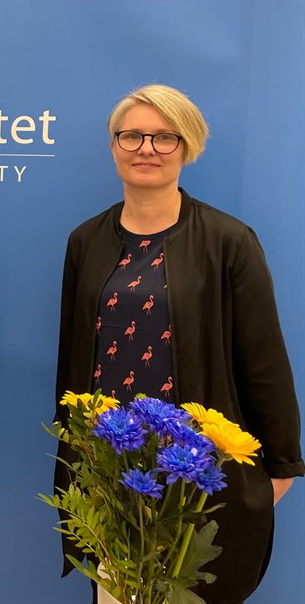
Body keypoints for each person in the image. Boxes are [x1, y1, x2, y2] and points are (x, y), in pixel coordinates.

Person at [54, 84, 303, 602]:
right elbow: (73, 361)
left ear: (187, 147)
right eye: (132, 136)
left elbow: (264, 361)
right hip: (111, 469)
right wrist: (75, 458)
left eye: (164, 137)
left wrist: (281, 468)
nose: (146, 148)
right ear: (114, 145)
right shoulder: (85, 241)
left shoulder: (229, 241)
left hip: (195, 474)